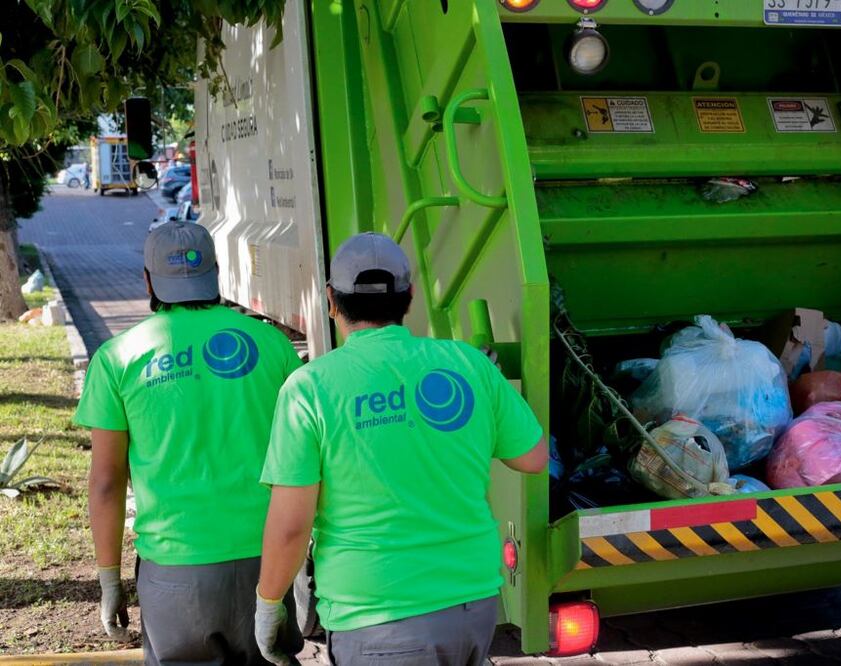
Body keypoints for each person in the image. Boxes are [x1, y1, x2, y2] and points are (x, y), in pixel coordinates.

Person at [254, 232, 547, 666]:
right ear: (408, 298)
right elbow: (533, 457)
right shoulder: (470, 366)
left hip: (377, 618)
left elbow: (291, 527)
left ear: (332, 301)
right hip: (473, 604)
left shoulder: (310, 389)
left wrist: (269, 604)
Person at [76, 221, 305, 665]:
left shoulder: (117, 358)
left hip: (174, 571)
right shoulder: (273, 346)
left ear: (148, 280)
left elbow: (106, 481)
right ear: (216, 272)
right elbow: (304, 457)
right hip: (268, 560)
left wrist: (109, 578)